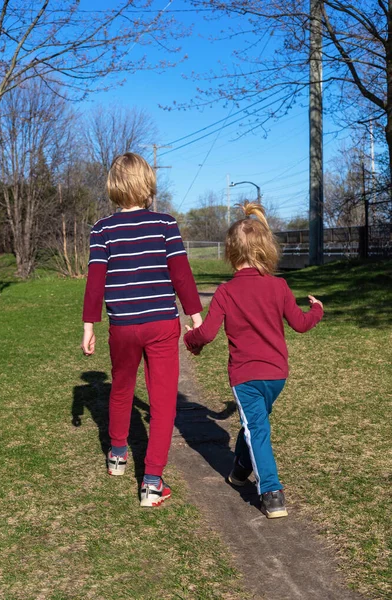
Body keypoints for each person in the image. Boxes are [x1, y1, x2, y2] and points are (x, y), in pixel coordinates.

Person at [184, 201, 324, 519]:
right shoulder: (279, 286)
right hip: (277, 376)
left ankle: (272, 493)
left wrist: (189, 340)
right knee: (254, 424)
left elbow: (205, 334)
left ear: (231, 253)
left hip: (246, 377)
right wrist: (317, 309)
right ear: (266, 249)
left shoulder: (226, 292)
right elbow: (301, 324)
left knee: (256, 428)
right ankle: (240, 470)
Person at [81, 152, 202, 508]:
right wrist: (196, 318)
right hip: (162, 323)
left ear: (113, 186)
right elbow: (181, 274)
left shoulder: (102, 229)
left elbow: (95, 282)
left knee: (121, 388)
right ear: (148, 184)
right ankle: (151, 482)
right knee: (163, 402)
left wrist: (89, 325)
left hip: (122, 326)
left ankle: (117, 455)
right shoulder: (166, 224)